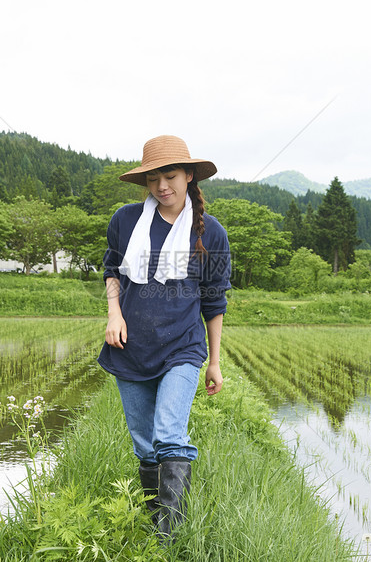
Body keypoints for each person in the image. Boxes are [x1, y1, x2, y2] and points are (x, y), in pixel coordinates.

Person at [98, 135, 231, 539]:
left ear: (189, 176)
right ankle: (155, 519)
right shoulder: (125, 220)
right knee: (144, 445)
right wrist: (114, 313)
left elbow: (214, 301)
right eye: (153, 179)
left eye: (170, 176)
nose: (162, 187)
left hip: (183, 348)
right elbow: (112, 271)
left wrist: (214, 361)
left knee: (169, 434)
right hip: (130, 348)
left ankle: (168, 538)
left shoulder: (211, 233)